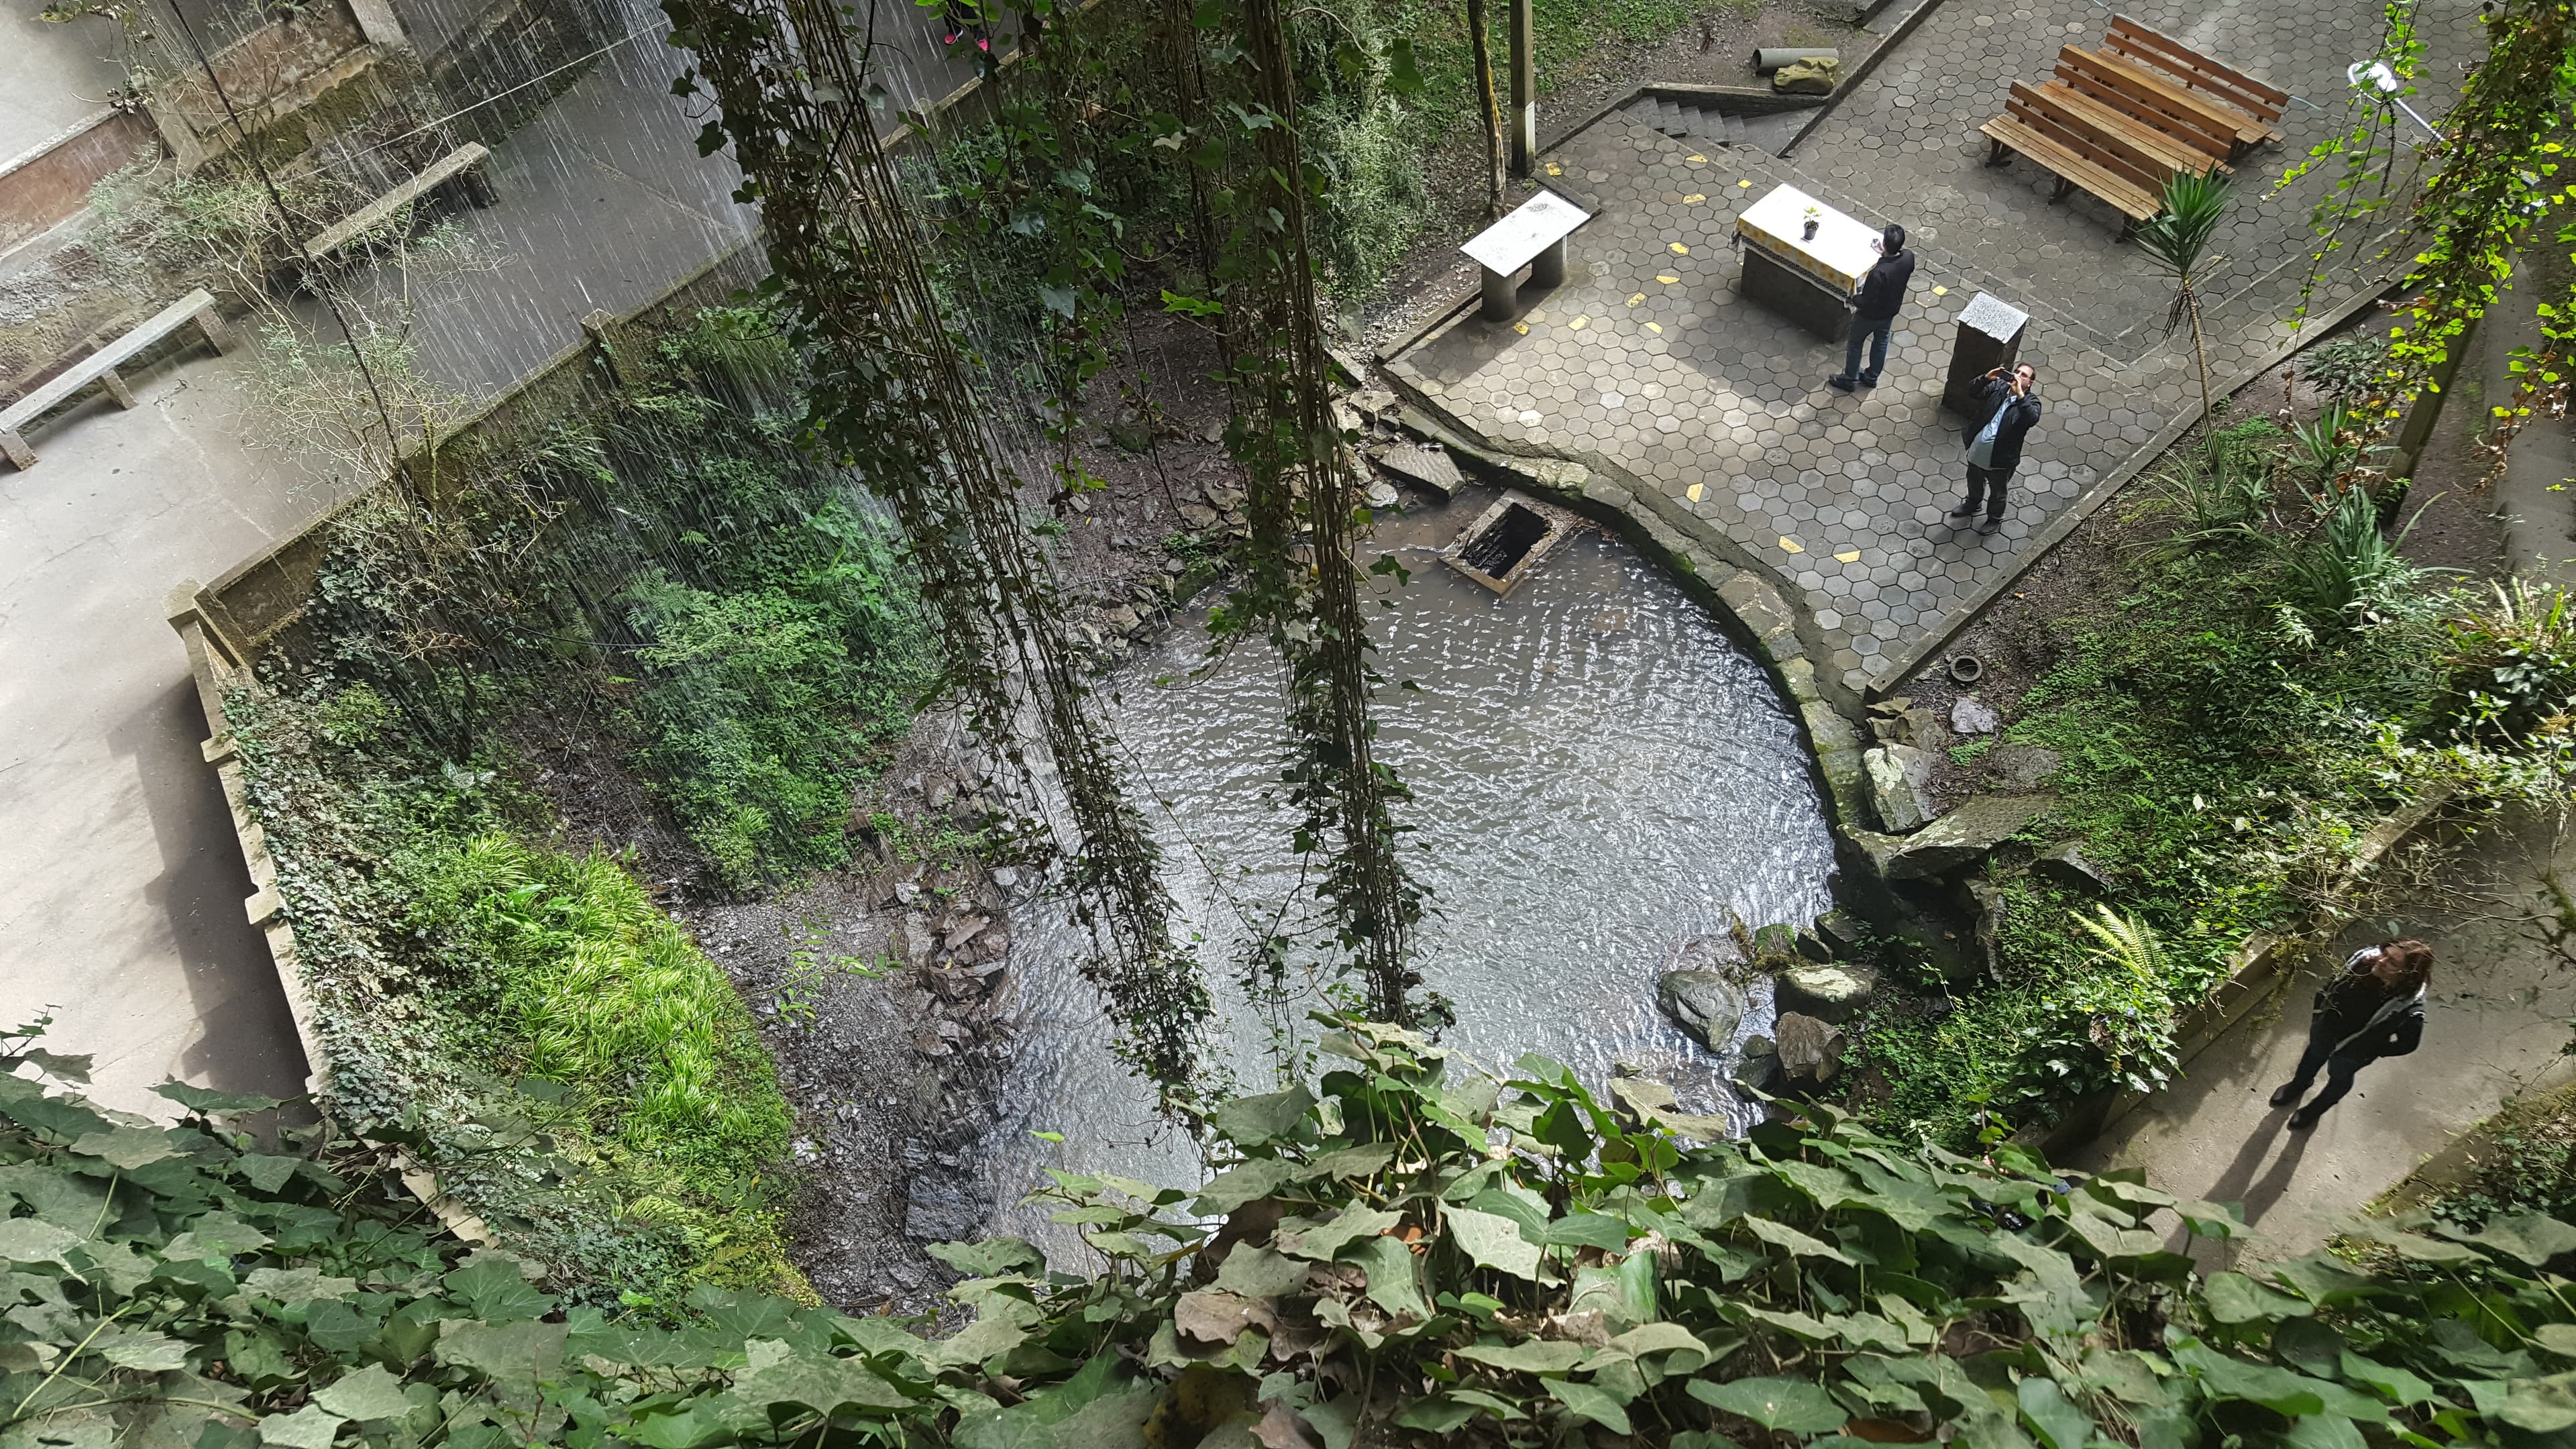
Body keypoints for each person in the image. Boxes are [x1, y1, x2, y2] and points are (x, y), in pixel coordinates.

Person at [2269, 938, 2431, 1132]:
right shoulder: (2362, 962)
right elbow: (2333, 983)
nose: (2381, 961)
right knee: (2312, 1056)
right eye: (2384, 953)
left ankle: (2313, 1111)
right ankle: (2298, 1085)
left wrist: (2371, 1049)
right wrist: (2318, 1017)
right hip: (2326, 1030)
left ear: (2407, 976)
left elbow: (2407, 1045)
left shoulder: (2409, 1009)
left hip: (2352, 1054)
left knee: (2339, 1079)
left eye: (2393, 963)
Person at [1950, 362, 2042, 538]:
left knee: (1998, 491)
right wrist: (1986, 378)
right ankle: (1973, 503)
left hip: (2001, 459)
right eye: (2017, 371)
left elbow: (2031, 419)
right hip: (1978, 450)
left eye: (2024, 375)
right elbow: (1973, 392)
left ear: (2029, 383)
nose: (2017, 375)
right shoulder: (1998, 387)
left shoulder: (2030, 401)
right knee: (1974, 479)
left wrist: (2020, 396)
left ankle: (1994, 518)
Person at [1828, 223, 1915, 393]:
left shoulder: (1878, 273)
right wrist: (1885, 253)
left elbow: (1865, 301)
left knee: (1855, 342)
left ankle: (1850, 378)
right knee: (1881, 341)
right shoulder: (1908, 257)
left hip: (1869, 316)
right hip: (1890, 311)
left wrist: (1852, 297)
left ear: (1885, 242)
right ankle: (1871, 377)